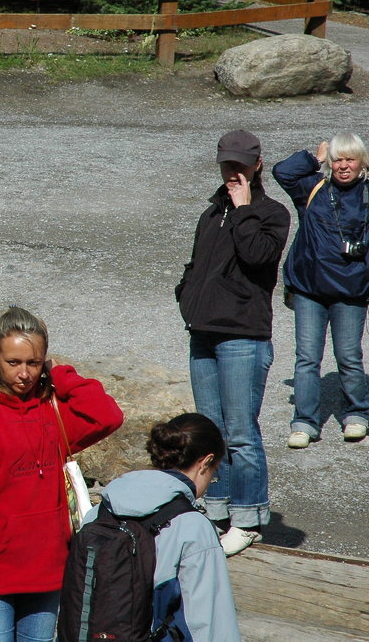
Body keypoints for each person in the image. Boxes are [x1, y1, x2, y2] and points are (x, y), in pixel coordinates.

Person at [0, 306, 123, 642]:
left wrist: (60, 375)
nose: (24, 374)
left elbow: (107, 415)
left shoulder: (50, 405)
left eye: (33, 363)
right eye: (13, 362)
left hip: (46, 568)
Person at [177, 130, 289, 557]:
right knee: (211, 431)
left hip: (243, 335)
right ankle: (217, 509)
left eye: (241, 164)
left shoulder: (271, 213)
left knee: (242, 433)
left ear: (257, 164)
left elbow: (259, 257)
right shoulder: (211, 213)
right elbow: (196, 264)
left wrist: (243, 211)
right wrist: (185, 294)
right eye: (227, 163)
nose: (233, 171)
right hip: (203, 330)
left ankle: (247, 517)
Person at [77, 413, 240, 641]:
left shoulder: (101, 510)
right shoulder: (193, 526)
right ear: (205, 462)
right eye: (214, 473)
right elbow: (211, 620)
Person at [272, 133, 369, 448]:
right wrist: (313, 159)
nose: (343, 166)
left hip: (351, 291)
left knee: (349, 357)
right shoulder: (312, 189)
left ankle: (356, 414)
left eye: (350, 159)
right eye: (337, 159)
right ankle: (304, 422)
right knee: (307, 358)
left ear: (361, 163)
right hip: (310, 291)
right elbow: (282, 172)